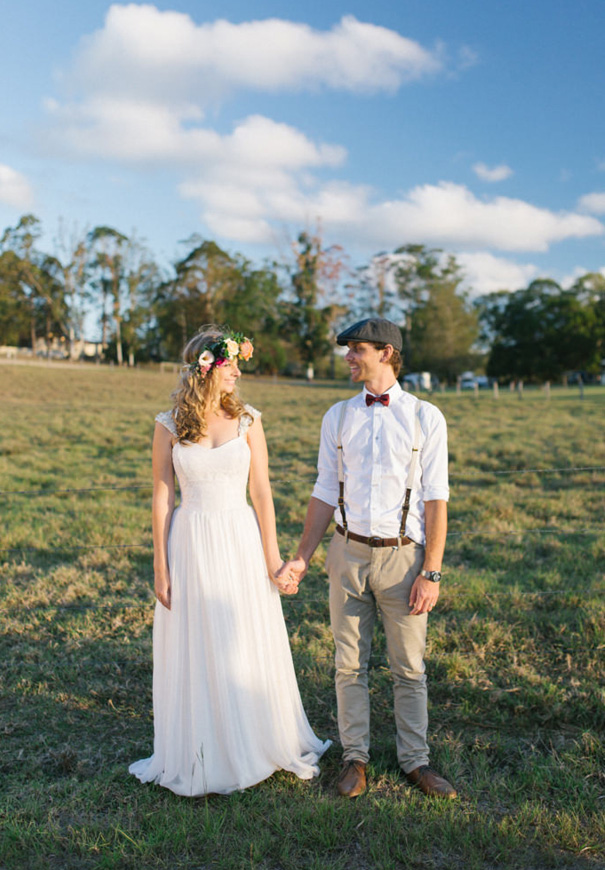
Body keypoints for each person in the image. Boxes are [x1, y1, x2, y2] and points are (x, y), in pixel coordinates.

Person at [129, 325, 329, 796]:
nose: (238, 372)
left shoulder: (249, 421)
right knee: (198, 641)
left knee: (244, 640)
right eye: (229, 364)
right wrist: (160, 566)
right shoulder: (168, 424)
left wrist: (274, 558)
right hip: (192, 540)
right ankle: (202, 747)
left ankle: (257, 739)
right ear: (206, 368)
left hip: (239, 538)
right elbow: (162, 495)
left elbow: (261, 492)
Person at [279, 317, 456, 799]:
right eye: (348, 349)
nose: (348, 357)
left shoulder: (425, 417)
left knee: (409, 668)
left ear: (386, 353)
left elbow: (435, 499)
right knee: (348, 665)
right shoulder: (337, 416)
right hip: (348, 552)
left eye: (356, 349)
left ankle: (415, 762)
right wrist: (302, 557)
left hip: (404, 557)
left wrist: (431, 572)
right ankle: (355, 760)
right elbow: (322, 490)